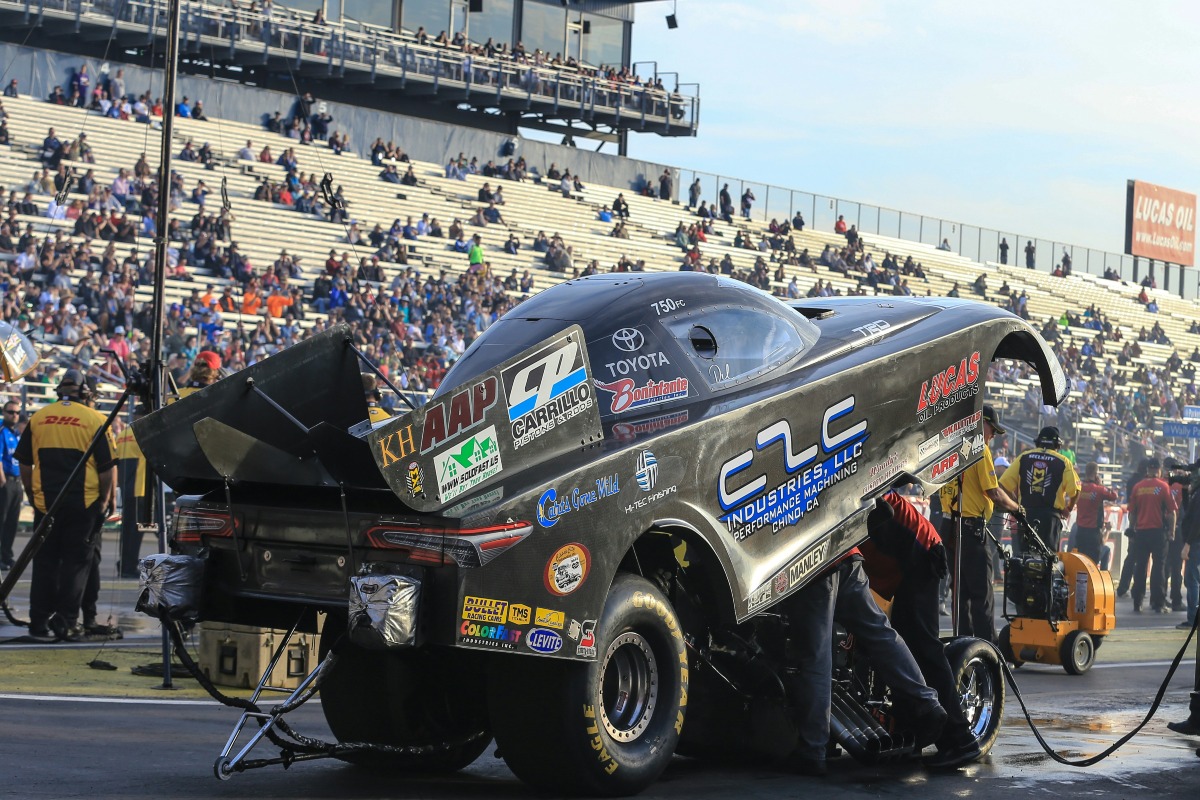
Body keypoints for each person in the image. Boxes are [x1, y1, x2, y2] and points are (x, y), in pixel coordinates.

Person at [783, 547, 947, 776]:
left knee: (815, 655)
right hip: (846, 553)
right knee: (879, 632)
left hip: (812, 560)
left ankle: (812, 750)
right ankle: (927, 702)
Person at [861, 492, 982, 768]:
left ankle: (960, 739)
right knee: (902, 647)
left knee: (922, 647)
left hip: (919, 553)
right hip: (904, 556)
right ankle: (909, 736)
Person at [14, 370, 116, 642]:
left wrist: (32, 494)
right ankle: (68, 622)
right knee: (76, 563)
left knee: (45, 563)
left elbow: (24, 463)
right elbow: (107, 469)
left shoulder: (39, 417)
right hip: (84, 504)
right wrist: (105, 502)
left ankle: (38, 623)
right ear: (85, 393)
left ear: (59, 391)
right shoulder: (96, 419)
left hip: (46, 503)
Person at [939, 405, 1023, 643]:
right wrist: (1018, 508)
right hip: (970, 528)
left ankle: (963, 644)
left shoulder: (951, 447)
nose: (993, 435)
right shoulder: (979, 448)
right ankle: (988, 648)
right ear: (980, 423)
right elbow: (994, 492)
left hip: (950, 526)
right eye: (992, 429)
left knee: (960, 592)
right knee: (982, 594)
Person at [998, 426, 1080, 554]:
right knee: (1048, 559)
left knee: (1024, 558)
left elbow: (1003, 484)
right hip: (1050, 518)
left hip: (1026, 515)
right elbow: (1076, 490)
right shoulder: (1063, 461)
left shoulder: (1024, 457)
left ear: (1038, 442)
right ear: (1058, 444)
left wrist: (1016, 503)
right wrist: (1068, 509)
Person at [1126, 458, 1178, 613]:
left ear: (1148, 470)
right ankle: (1158, 603)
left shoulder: (1138, 487)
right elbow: (1172, 513)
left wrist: (1131, 529)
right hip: (1158, 532)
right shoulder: (1163, 486)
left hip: (1141, 532)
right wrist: (1172, 532)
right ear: (1159, 470)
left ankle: (1138, 601)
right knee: (1158, 568)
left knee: (1140, 566)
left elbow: (1132, 513)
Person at [115, 410, 148, 579]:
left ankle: (124, 563)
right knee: (135, 531)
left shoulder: (122, 435)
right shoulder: (145, 432)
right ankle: (129, 565)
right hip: (141, 488)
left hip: (126, 487)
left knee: (127, 529)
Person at [1074, 462, 1117, 566]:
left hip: (1080, 530)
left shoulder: (1078, 487)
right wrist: (1101, 484)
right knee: (1092, 563)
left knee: (1081, 562)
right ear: (1096, 473)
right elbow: (1114, 496)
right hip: (1093, 532)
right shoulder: (1099, 489)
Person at [0, 400, 23, 569]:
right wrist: (2, 481)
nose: (14, 415)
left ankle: (7, 555)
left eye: (16, 413)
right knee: (2, 520)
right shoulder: (1, 431)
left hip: (16, 482)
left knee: (12, 522)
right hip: (5, 481)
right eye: (10, 412)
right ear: (4, 412)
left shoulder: (16, 433)